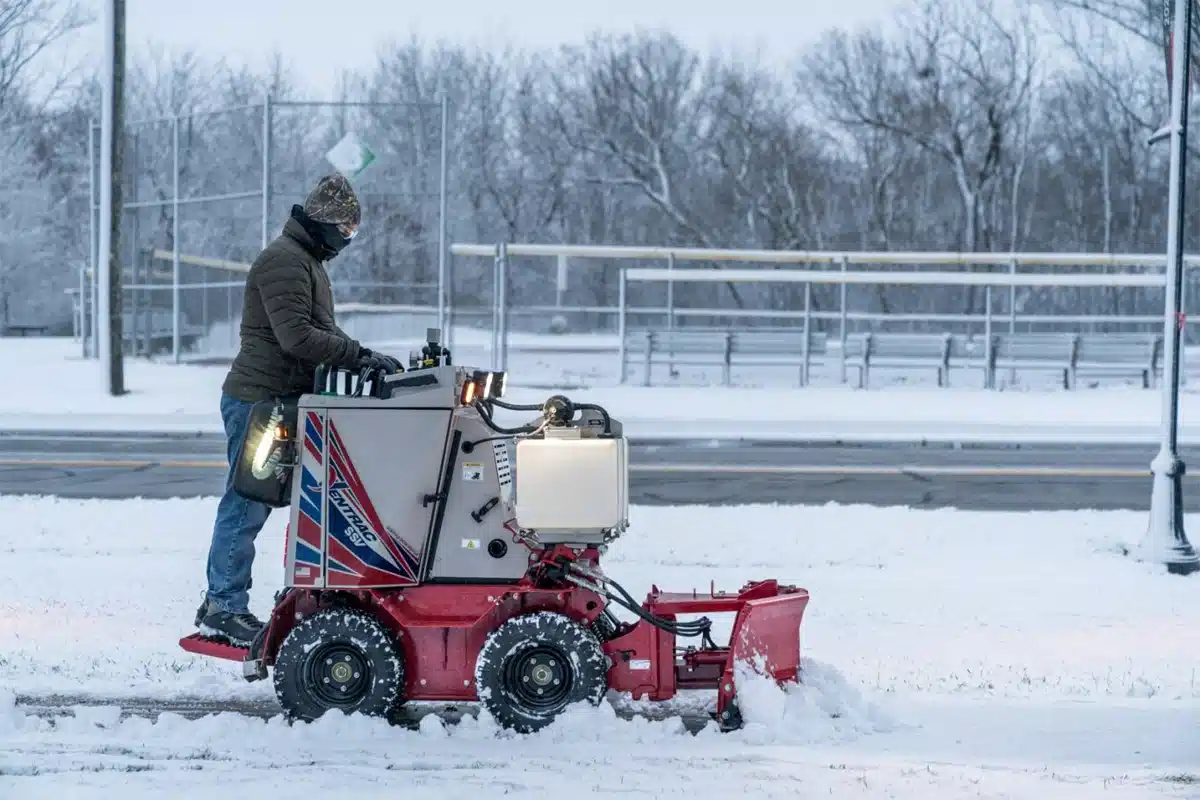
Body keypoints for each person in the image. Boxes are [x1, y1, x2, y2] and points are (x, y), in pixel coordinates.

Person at [195, 173, 402, 645]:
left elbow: (317, 329)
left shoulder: (305, 261)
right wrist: (358, 354)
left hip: (283, 401)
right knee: (247, 501)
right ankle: (222, 607)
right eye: (345, 232)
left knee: (301, 500)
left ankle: (264, 597)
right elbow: (298, 338)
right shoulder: (284, 262)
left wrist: (359, 354)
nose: (346, 242)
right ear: (325, 223)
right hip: (258, 400)